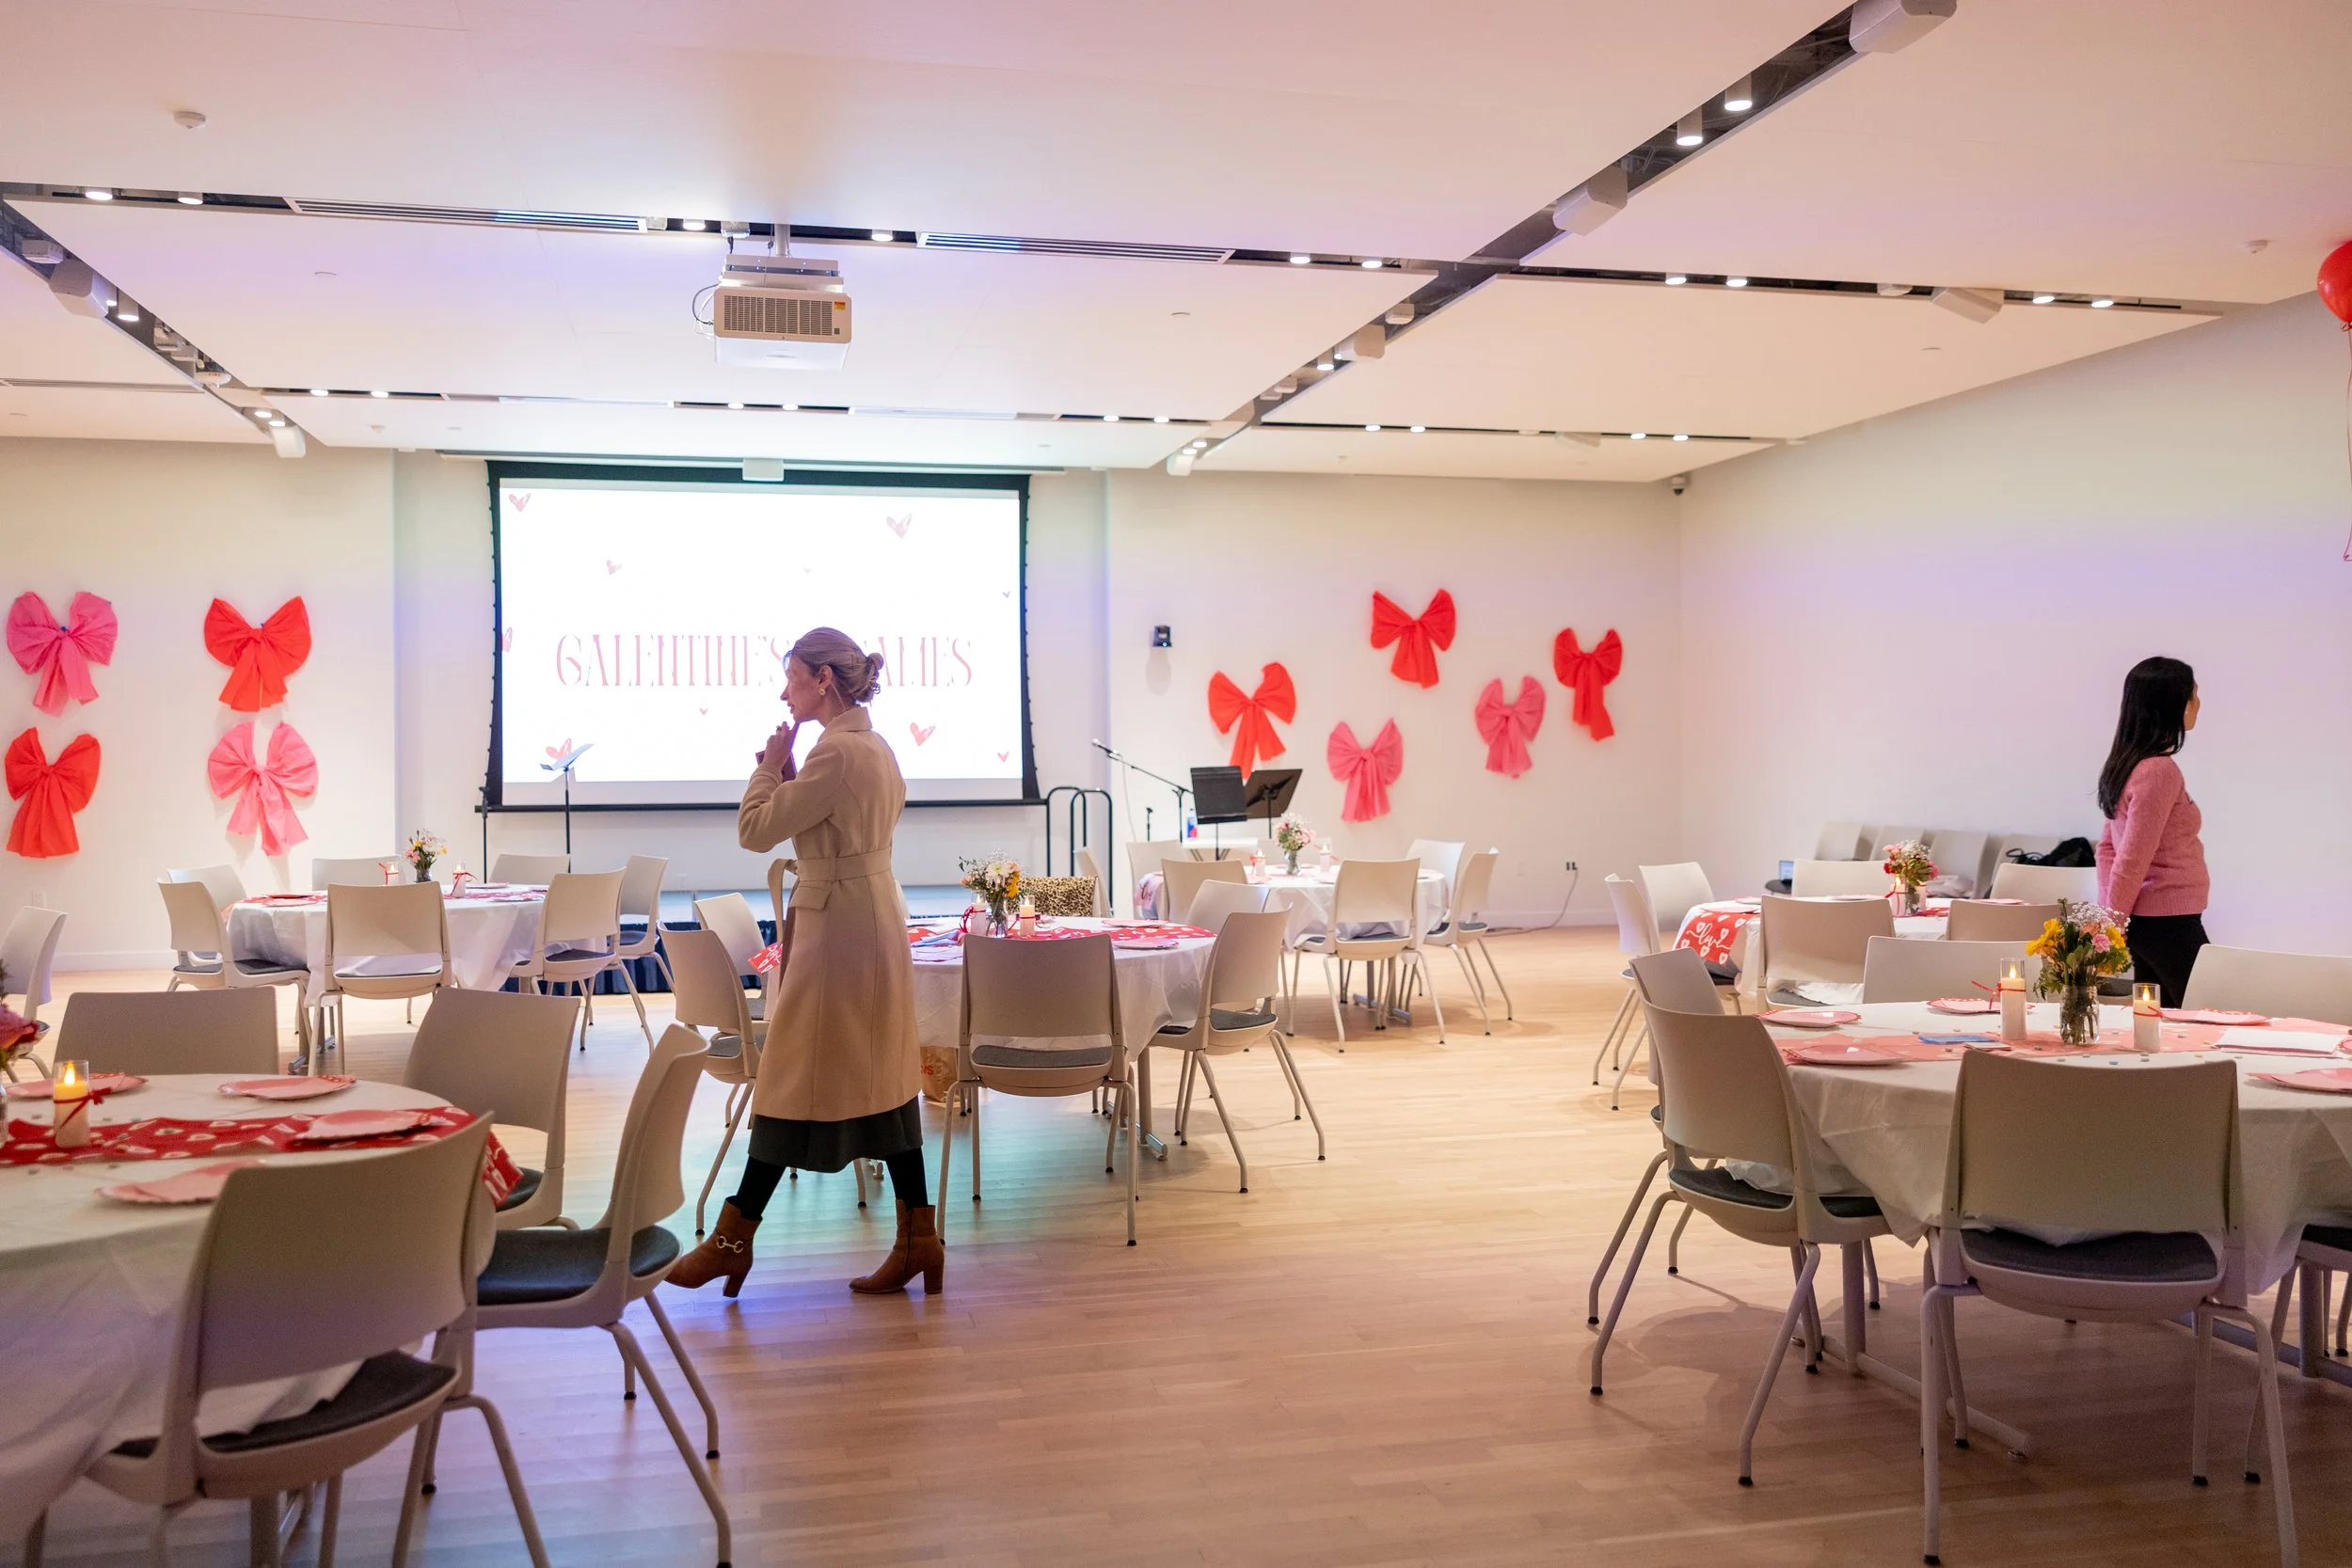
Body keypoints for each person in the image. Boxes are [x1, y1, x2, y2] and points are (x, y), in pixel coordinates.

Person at [667, 627, 939, 1297]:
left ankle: (733, 1240)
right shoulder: (874, 746)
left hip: (838, 927)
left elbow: (754, 830)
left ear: (823, 679)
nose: (783, 692)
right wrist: (793, 776)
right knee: (882, 1077)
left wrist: (769, 767)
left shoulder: (834, 752)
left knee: (790, 1076)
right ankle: (919, 1239)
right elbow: (831, 823)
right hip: (869, 915)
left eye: (792, 678)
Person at [2094, 656, 2209, 1007]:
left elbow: (2107, 849)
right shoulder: (2159, 771)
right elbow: (2131, 858)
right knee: (2208, 1011)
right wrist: (2112, 926)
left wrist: (2113, 917)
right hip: (2167, 921)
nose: (2198, 704)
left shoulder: (2129, 766)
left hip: (2149, 922)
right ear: (2174, 704)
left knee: (2160, 1020)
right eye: (2193, 695)